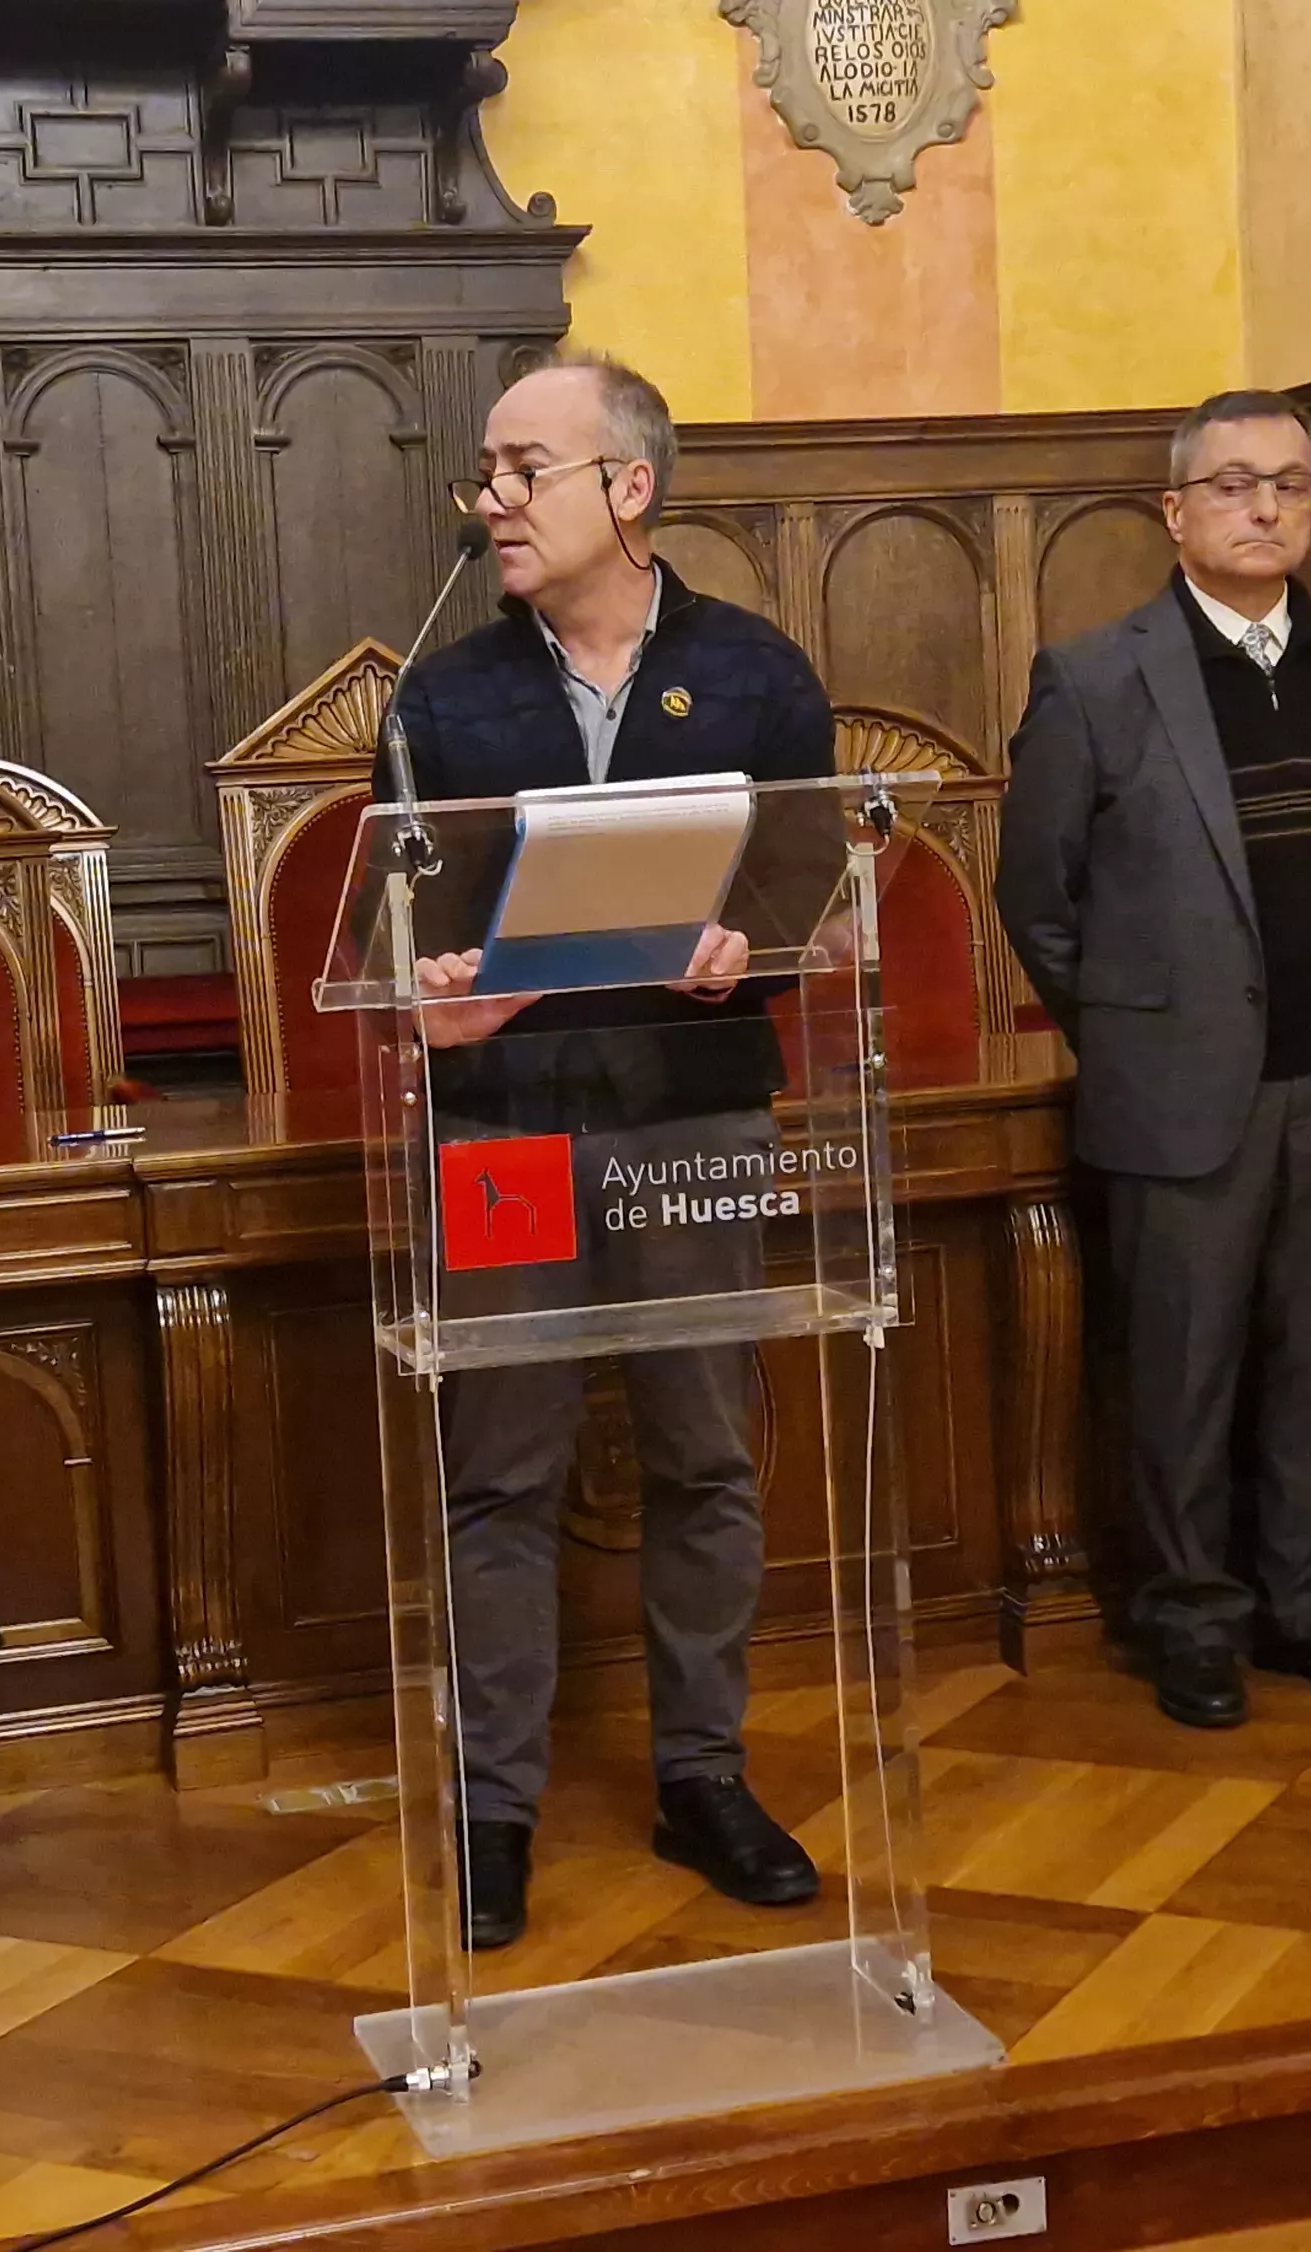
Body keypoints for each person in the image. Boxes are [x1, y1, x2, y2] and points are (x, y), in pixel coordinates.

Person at [387, 353, 838, 1951]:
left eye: (524, 469)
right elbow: (416, 922)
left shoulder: (757, 670)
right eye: (485, 475)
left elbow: (802, 884)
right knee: (500, 1467)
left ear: (626, 489)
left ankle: (702, 1775)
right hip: (504, 1127)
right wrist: (441, 988)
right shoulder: (443, 698)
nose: (492, 500)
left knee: (705, 1451)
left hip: (688, 1118)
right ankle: (494, 1804)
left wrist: (748, 946)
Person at [997, 390, 1311, 1731]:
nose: (1267, 509)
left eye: (1292, 486)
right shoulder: (1097, 675)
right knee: (1182, 1369)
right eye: (1237, 486)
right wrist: (1137, 1028)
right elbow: (1036, 896)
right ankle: (1189, 1618)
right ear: (1175, 513)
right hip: (1181, 1092)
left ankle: (1309, 1607)